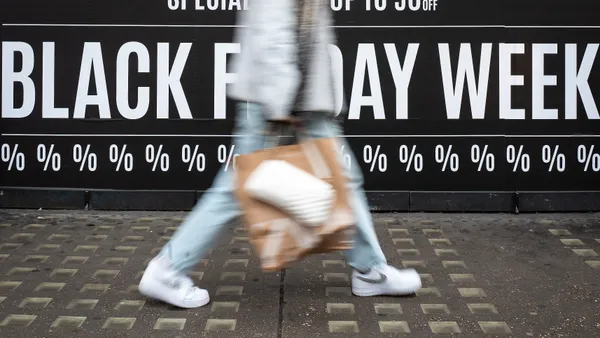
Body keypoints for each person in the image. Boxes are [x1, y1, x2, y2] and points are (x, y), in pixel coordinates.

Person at [138, 0, 422, 309]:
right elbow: (274, 30)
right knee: (239, 188)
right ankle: (167, 269)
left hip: (299, 101)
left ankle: (370, 269)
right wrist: (280, 104)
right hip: (278, 102)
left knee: (343, 178)